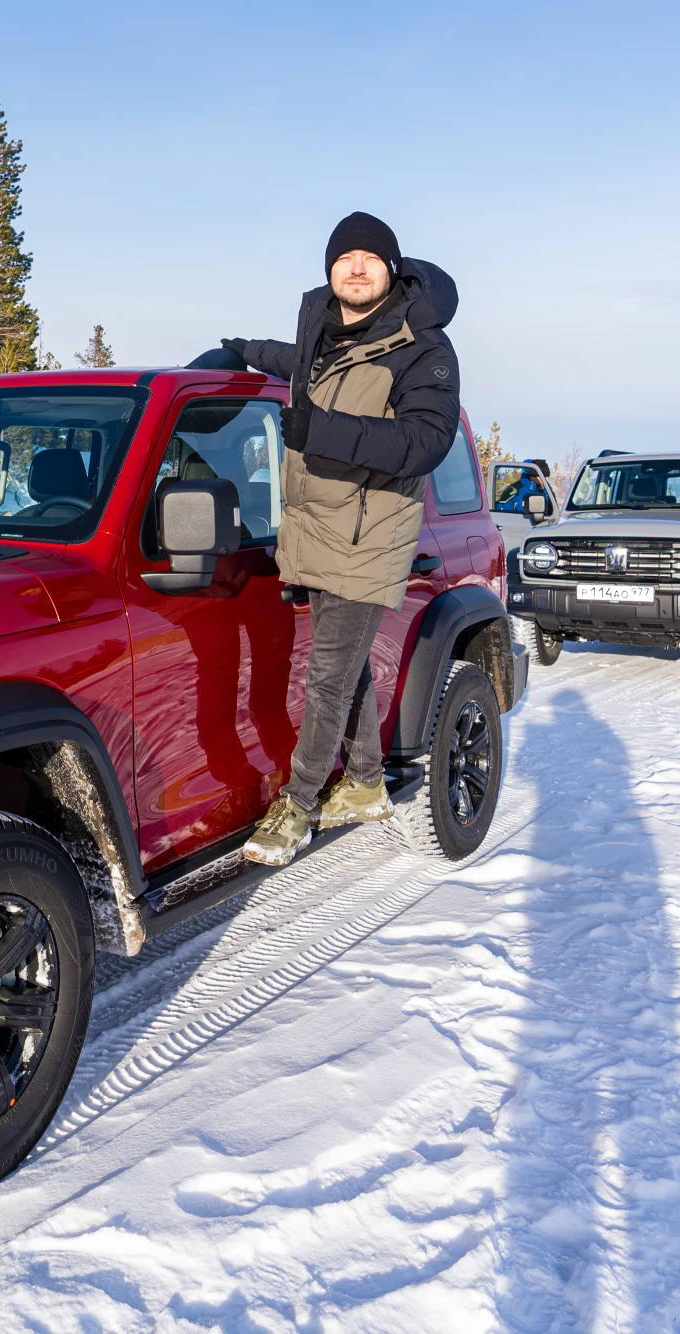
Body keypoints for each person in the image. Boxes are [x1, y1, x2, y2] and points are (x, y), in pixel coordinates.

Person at [219, 211, 462, 865]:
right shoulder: (324, 339)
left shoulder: (423, 348)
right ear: (330, 271)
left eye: (370, 259)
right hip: (316, 531)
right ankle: (363, 783)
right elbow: (288, 360)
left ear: (391, 270)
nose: (357, 268)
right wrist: (237, 348)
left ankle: (298, 807)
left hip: (367, 538)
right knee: (346, 671)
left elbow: (425, 441)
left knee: (326, 679)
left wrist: (317, 430)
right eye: (344, 258)